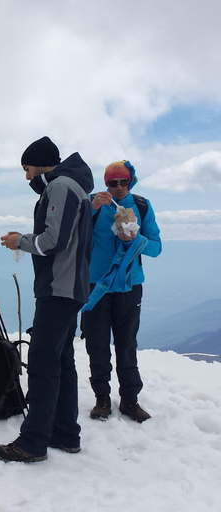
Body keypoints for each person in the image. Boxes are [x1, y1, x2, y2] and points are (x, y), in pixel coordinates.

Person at [0, 136, 93, 463]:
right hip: (70, 286)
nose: (27, 177)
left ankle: (33, 442)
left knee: (42, 364)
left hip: (58, 288)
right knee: (62, 361)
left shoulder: (62, 186)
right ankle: (65, 433)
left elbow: (53, 241)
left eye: (27, 168)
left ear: (39, 162)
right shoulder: (73, 185)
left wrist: (18, 241)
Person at [81, 160, 161, 423]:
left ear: (131, 182)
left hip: (129, 285)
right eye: (111, 183)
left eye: (122, 182)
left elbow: (156, 248)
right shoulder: (92, 204)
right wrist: (89, 209)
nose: (116, 188)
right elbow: (72, 236)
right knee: (97, 344)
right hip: (95, 285)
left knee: (126, 344)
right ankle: (102, 399)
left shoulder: (141, 205)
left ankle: (129, 400)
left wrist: (135, 239)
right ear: (105, 183)